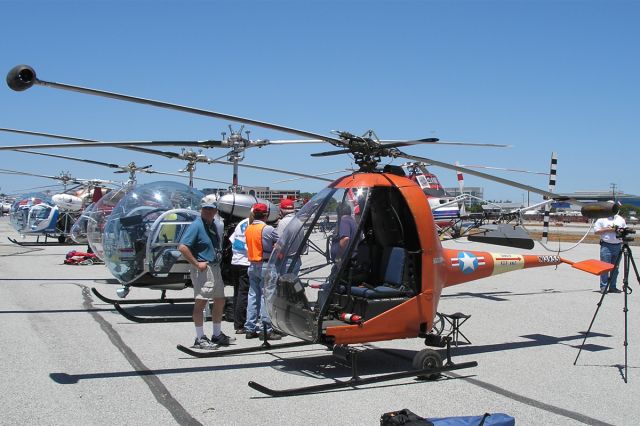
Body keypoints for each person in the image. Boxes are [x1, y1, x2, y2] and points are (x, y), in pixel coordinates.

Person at [178, 200, 234, 349]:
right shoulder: (196, 225)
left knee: (220, 300)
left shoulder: (213, 225)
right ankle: (199, 337)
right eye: (206, 209)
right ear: (201, 210)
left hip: (214, 267)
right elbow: (183, 247)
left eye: (211, 209)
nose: (208, 211)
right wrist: (196, 263)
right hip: (204, 268)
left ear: (216, 211)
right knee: (201, 302)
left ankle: (216, 334)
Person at [244, 202, 282, 340]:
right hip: (265, 265)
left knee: (253, 296)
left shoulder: (248, 229)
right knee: (267, 297)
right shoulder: (268, 229)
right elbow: (280, 245)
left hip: (252, 265)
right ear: (266, 215)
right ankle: (265, 328)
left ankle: (250, 327)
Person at [594, 201, 627, 294]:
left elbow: (625, 230)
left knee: (615, 268)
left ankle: (613, 287)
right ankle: (603, 287)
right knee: (604, 268)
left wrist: (620, 231)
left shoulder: (620, 219)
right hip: (606, 246)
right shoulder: (601, 219)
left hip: (618, 246)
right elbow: (596, 231)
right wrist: (608, 229)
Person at [228, 216, 250, 334]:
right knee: (244, 293)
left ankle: (237, 320)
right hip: (245, 262)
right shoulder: (254, 225)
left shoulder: (241, 223)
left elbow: (232, 240)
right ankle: (240, 324)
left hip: (235, 260)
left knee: (237, 292)